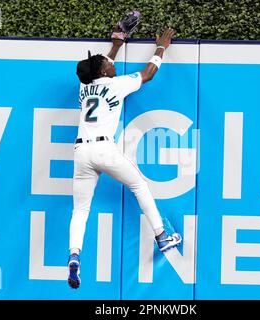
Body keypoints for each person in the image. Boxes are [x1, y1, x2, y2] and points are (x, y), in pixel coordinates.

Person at [68, 28, 182, 289]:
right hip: (104, 150)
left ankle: (74, 255)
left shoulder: (84, 88)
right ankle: (162, 236)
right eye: (107, 63)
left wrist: (116, 47)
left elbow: (101, 69)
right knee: (139, 184)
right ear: (103, 71)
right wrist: (161, 47)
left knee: (81, 210)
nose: (110, 63)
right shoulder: (116, 84)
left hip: (81, 153)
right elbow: (148, 74)